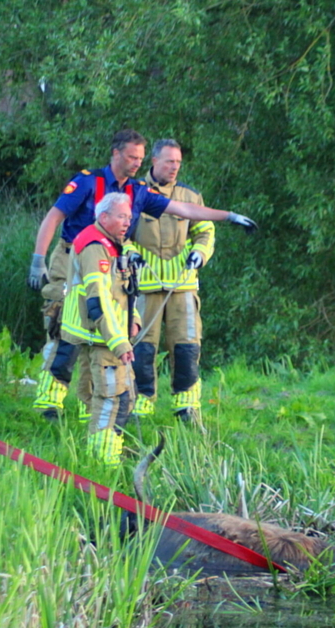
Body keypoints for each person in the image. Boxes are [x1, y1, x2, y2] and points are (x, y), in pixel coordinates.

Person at [27, 129, 257, 422]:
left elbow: (184, 209)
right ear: (116, 153)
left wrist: (229, 216)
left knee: (100, 335)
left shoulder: (137, 191)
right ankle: (49, 402)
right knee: (64, 330)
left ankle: (91, 409)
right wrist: (38, 259)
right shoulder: (88, 181)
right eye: (132, 157)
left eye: (140, 157)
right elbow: (54, 217)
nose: (137, 162)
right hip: (73, 257)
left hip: (110, 263)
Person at [126, 139, 215, 426]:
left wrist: (200, 254)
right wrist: (130, 254)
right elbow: (118, 232)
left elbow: (205, 231)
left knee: (187, 346)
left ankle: (186, 407)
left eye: (178, 162)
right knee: (141, 348)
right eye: (169, 162)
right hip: (144, 287)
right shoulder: (133, 192)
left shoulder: (190, 196)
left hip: (183, 286)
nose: (174, 167)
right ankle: (140, 405)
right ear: (153, 161)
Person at [59, 193, 140, 466]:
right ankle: (103, 458)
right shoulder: (95, 246)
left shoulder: (112, 242)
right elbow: (99, 300)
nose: (127, 222)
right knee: (111, 397)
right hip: (101, 336)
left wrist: (134, 318)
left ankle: (105, 447)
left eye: (129, 217)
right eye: (121, 216)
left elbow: (123, 289)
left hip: (100, 332)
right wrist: (119, 342)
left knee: (107, 393)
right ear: (103, 217)